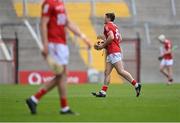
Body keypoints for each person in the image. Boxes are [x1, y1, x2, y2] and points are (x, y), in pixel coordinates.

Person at [26, 0, 91, 115]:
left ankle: (39, 100)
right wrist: (45, 44)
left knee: (62, 75)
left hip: (61, 42)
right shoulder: (49, 3)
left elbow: (67, 22)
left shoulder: (60, 3)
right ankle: (37, 99)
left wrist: (83, 37)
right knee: (62, 74)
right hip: (54, 42)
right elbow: (43, 23)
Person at [91, 13, 141, 97]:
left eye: (105, 17)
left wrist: (102, 45)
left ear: (109, 18)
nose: (104, 19)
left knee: (120, 71)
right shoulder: (115, 26)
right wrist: (106, 42)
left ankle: (136, 85)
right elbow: (119, 38)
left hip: (114, 52)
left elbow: (111, 37)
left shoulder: (107, 25)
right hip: (112, 52)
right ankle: (103, 92)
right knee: (107, 72)